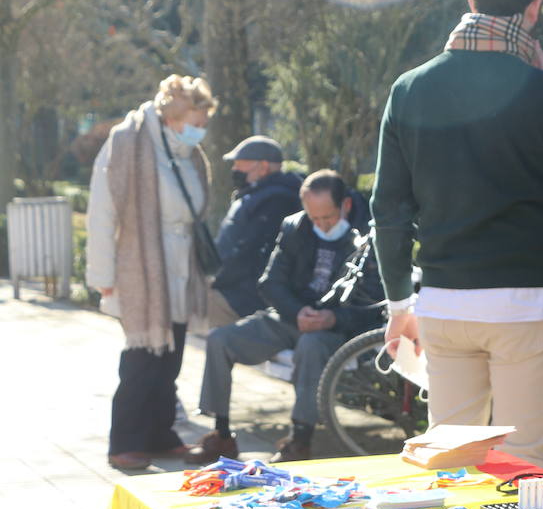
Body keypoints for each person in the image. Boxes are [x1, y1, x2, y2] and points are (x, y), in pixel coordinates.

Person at [371, 0, 543, 470]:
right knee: (524, 463)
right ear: (534, 8)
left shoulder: (409, 89)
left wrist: (397, 306)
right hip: (524, 304)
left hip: (444, 302)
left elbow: (387, 210)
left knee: (449, 457)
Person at [189, 170, 383, 465]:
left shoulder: (369, 238)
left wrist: (332, 318)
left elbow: (374, 305)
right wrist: (296, 311)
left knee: (311, 346)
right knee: (220, 340)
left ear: (344, 206)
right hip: (290, 318)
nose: (320, 225)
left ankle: (300, 439)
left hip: (335, 329)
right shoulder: (295, 227)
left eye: (327, 218)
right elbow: (270, 282)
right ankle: (222, 434)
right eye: (313, 217)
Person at [86, 75, 218, 470]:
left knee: (170, 354)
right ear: (174, 117)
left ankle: (160, 432)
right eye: (196, 120)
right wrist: (103, 275)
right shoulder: (128, 143)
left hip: (179, 265)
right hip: (140, 267)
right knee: (142, 358)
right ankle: (124, 440)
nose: (201, 130)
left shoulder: (187, 153)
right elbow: (101, 212)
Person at [207, 136, 302, 328]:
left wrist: (216, 281)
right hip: (234, 289)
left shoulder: (276, 201)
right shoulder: (256, 194)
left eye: (240, 164)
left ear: (263, 166)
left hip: (243, 297)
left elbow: (248, 254)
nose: (235, 170)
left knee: (180, 305)